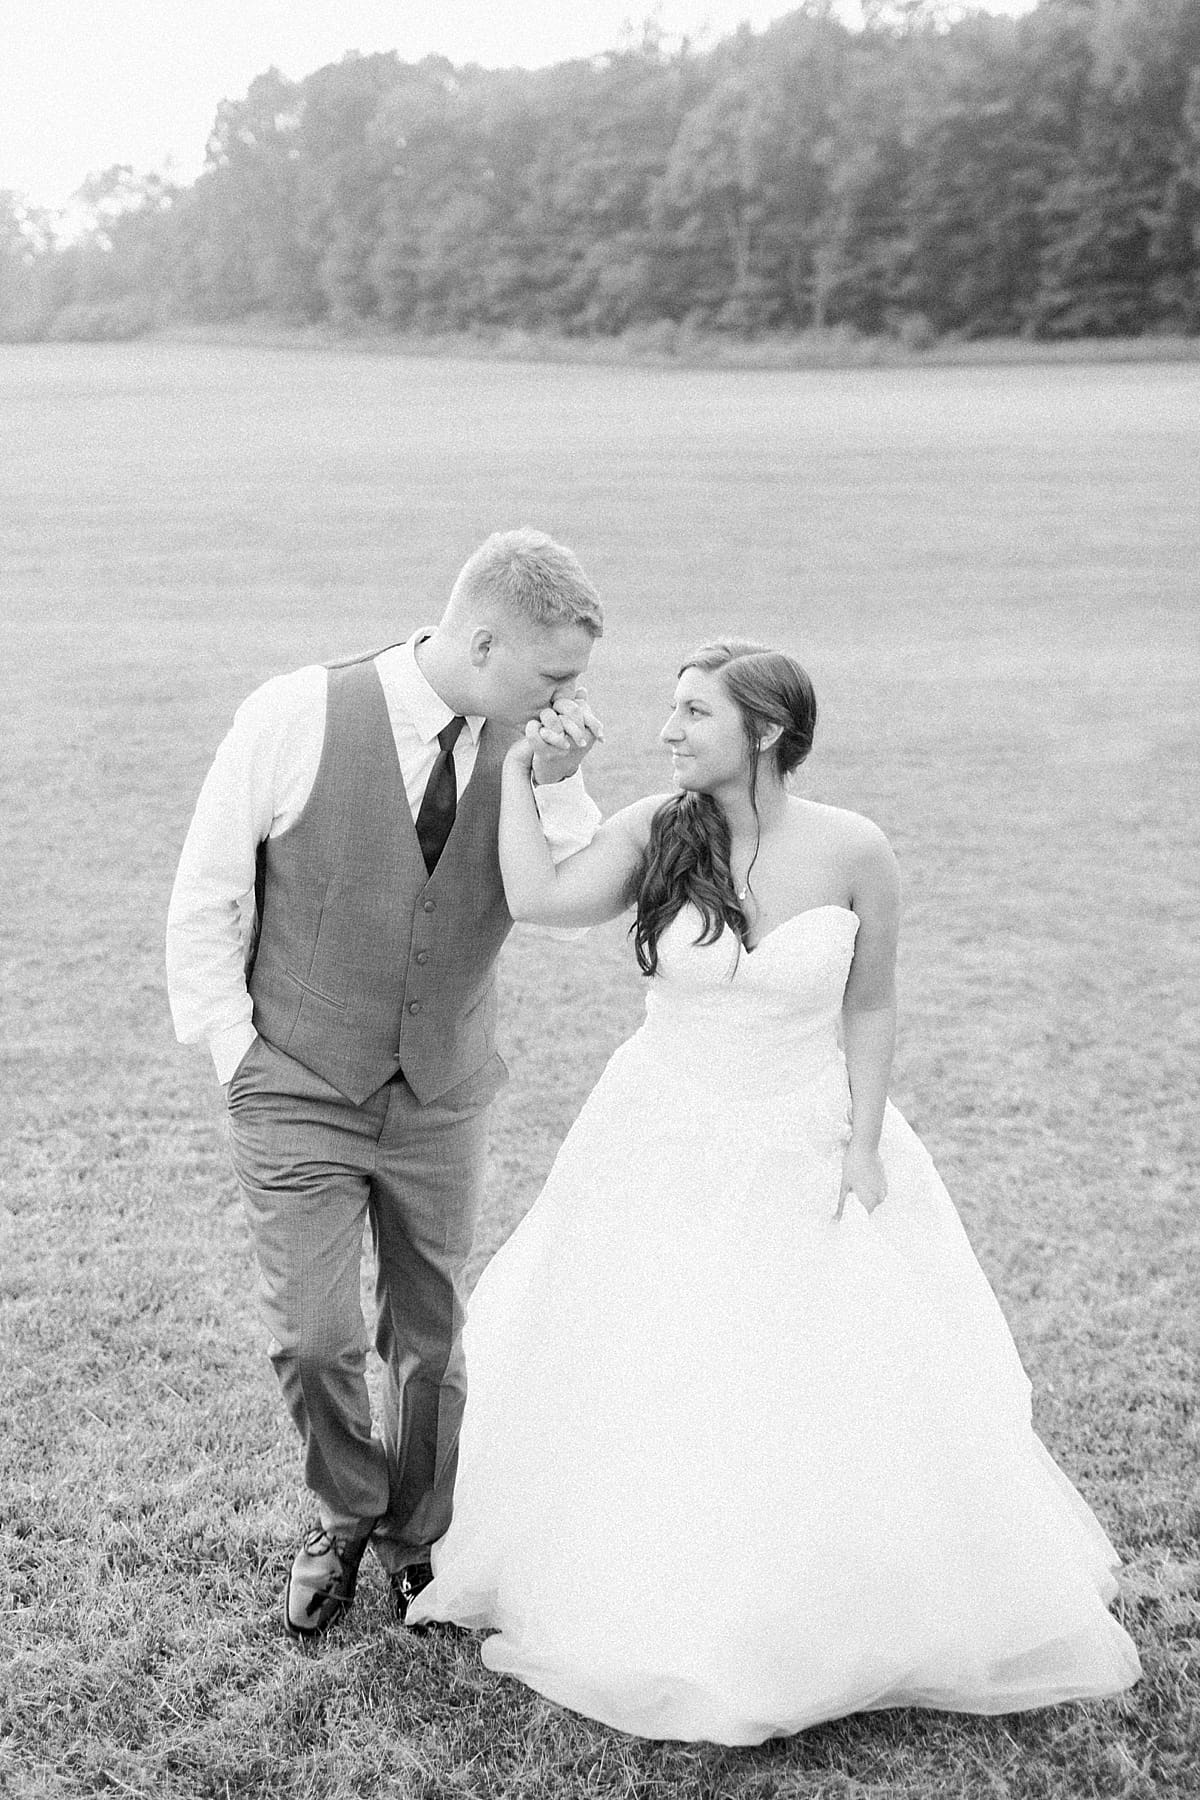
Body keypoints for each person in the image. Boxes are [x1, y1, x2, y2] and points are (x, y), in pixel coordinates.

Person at [407, 639, 1141, 1742]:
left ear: (764, 729)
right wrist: (522, 775)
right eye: (670, 709)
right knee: (656, 1357)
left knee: (816, 1363)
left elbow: (872, 1003)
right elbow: (542, 895)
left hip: (804, 1132)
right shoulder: (661, 828)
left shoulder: (857, 849)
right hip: (661, 1135)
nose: (668, 729)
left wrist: (861, 1135)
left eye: (693, 712)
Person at [165, 528, 604, 1638]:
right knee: (314, 1338)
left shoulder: (536, 752)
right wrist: (238, 1054)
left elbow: (572, 896)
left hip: (443, 1087)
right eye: (555, 672)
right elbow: (208, 892)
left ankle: (419, 1539)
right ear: (484, 638)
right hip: (298, 1080)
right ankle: (344, 1513)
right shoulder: (295, 713)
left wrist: (563, 788)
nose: (573, 695)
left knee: (432, 1337)